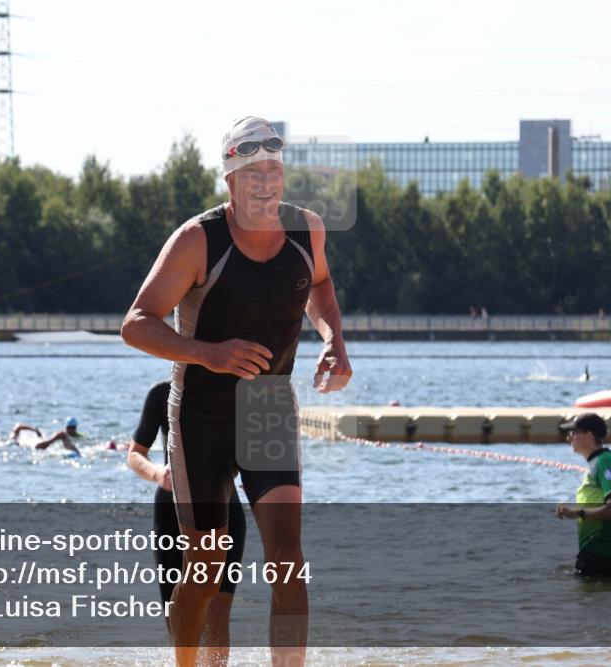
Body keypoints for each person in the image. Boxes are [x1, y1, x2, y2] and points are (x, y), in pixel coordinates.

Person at [121, 116, 352, 667]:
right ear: (230, 179)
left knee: (288, 561)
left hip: (268, 410)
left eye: (274, 169)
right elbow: (136, 323)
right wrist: (208, 352)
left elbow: (318, 284)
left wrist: (333, 340)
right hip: (200, 417)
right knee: (205, 569)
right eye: (253, 172)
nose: (266, 182)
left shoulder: (308, 230)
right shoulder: (198, 240)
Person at [127, 379, 246, 665]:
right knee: (177, 609)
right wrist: (158, 474)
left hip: (225, 506)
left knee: (218, 608)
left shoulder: (237, 391)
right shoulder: (162, 393)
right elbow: (135, 453)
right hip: (171, 509)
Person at [555, 413, 611, 577]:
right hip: (602, 550)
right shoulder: (603, 460)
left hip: (601, 552)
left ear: (589, 435)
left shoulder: (604, 462)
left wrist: (576, 513)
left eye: (573, 433)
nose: (569, 438)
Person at [9, 418, 82, 455]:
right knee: (62, 434)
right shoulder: (16, 441)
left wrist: (35, 430)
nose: (71, 430)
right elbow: (18, 427)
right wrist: (35, 430)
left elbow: (18, 427)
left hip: (40, 446)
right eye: (69, 428)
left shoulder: (19, 442)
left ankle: (48, 443)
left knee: (62, 435)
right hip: (38, 446)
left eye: (73, 428)